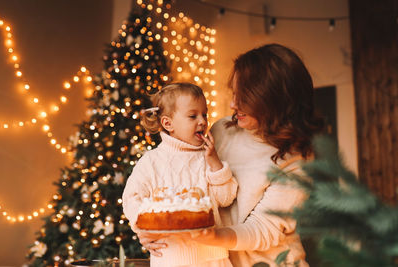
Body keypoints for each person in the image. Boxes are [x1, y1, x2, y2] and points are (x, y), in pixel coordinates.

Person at [139, 44, 324, 267]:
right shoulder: (221, 129)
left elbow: (264, 229)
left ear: (272, 100)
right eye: (234, 93)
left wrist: (207, 236)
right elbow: (184, 180)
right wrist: (151, 229)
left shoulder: (298, 159)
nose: (232, 104)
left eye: (244, 97)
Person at [122, 83, 238, 267]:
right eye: (193, 116)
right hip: (169, 258)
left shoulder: (208, 157)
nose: (202, 121)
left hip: (213, 258)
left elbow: (225, 198)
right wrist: (145, 229)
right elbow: (131, 198)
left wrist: (215, 163)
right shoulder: (151, 162)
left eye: (204, 114)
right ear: (168, 123)